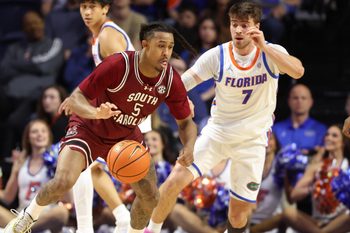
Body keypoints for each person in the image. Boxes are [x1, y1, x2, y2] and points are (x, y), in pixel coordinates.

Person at [4, 22, 197, 233]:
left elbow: (186, 122)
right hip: (90, 128)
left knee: (150, 196)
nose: (166, 53)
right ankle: (27, 217)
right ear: (145, 45)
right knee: (63, 181)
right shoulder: (119, 64)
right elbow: (75, 98)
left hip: (126, 136)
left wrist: (188, 145)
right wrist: (97, 112)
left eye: (170, 47)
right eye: (161, 46)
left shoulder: (170, 79)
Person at [146, 1, 304, 233]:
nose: (238, 30)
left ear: (256, 27)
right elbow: (181, 83)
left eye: (244, 25)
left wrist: (265, 47)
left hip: (252, 142)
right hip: (217, 133)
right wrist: (181, 98)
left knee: (238, 215)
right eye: (234, 25)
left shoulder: (272, 53)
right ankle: (151, 230)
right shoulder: (217, 55)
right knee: (174, 180)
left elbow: (298, 71)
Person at [73, 1, 150, 232]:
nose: (87, 12)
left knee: (141, 180)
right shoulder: (99, 35)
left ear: (105, 8)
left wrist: (116, 113)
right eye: (83, 7)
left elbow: (128, 76)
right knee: (88, 166)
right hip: (120, 109)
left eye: (92, 7)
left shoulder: (108, 36)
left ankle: (133, 224)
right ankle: (122, 218)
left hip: (125, 111)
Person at [0, 119, 70, 232]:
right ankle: (20, 228)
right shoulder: (21, 161)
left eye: (43, 131)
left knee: (61, 212)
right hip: (20, 216)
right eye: (35, 131)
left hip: (45, 215)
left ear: (49, 135)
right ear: (27, 137)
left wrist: (62, 172)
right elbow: (8, 197)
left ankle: (19, 230)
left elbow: (68, 200)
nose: (39, 134)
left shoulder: (57, 160)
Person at [281, 124, 350, 233]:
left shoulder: (348, 167)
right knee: (288, 212)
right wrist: (315, 186)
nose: (329, 138)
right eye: (327, 134)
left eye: (334, 135)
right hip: (317, 222)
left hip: (340, 221)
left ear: (343, 142)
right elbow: (294, 196)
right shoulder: (316, 167)